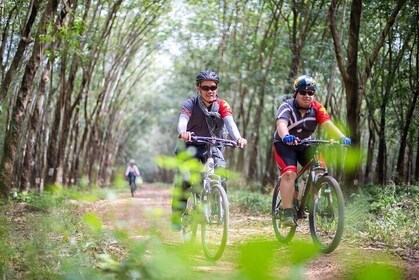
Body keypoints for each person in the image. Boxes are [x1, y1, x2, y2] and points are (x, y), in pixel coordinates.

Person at [172, 69, 247, 231]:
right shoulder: (190, 103)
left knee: (221, 173)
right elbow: (182, 121)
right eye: (205, 88)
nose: (210, 91)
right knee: (186, 178)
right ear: (198, 88)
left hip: (213, 145)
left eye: (213, 87)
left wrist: (238, 138)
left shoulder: (222, 105)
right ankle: (178, 215)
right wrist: (183, 132)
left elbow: (230, 123)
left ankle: (218, 206)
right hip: (191, 145)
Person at [273, 75, 351, 226]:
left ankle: (311, 202)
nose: (307, 96)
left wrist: (342, 137)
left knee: (320, 168)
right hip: (284, 144)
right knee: (289, 173)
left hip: (305, 143)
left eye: (310, 93)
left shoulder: (317, 107)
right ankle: (287, 212)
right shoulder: (287, 106)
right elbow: (281, 124)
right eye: (303, 92)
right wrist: (286, 136)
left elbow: (327, 125)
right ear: (296, 93)